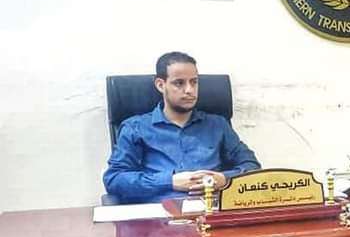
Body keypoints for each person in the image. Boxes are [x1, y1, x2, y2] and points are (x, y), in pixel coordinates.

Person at [103, 52, 260, 204]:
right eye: (179, 83)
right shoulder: (136, 128)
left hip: (213, 210)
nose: (189, 90)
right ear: (160, 85)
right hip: (161, 214)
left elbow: (252, 168)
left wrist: (224, 179)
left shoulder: (217, 125)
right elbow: (114, 179)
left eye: (194, 82)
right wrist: (170, 181)